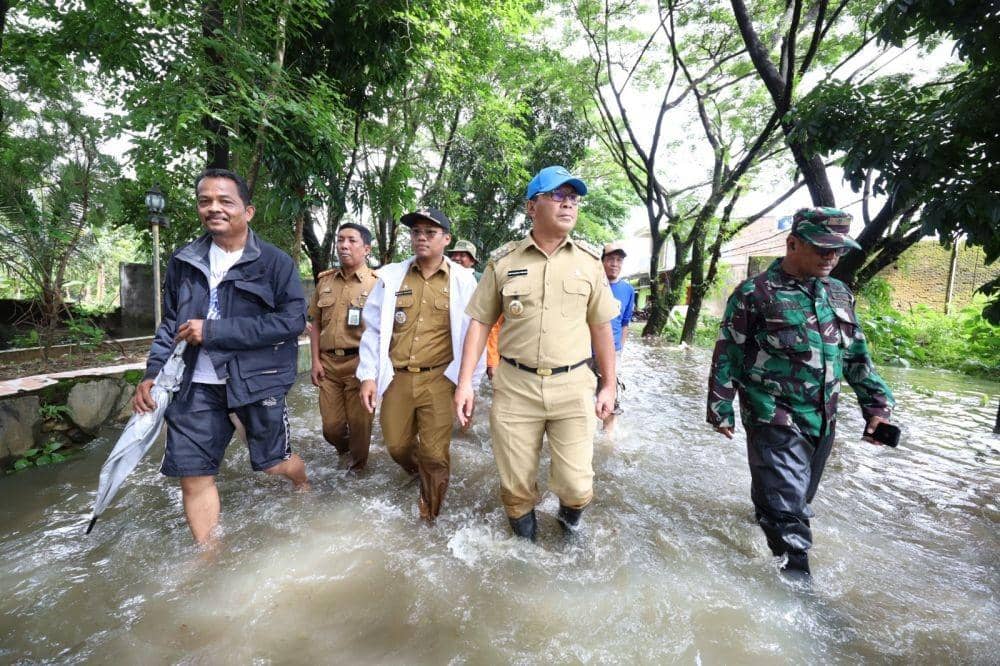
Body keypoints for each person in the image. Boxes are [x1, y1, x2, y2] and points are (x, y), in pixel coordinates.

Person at [707, 207, 895, 578]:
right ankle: (800, 593)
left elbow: (856, 354)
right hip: (772, 415)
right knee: (790, 514)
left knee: (796, 498)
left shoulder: (840, 293)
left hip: (823, 418)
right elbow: (727, 351)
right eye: (822, 248)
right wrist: (720, 406)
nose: (831, 257)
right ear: (793, 243)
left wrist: (876, 406)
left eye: (838, 250)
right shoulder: (754, 293)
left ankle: (765, 516)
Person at [132, 168, 308, 545]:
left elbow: (292, 322)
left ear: (248, 211)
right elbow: (171, 326)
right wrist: (152, 373)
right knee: (194, 473)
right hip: (194, 383)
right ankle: (207, 555)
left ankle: (301, 481)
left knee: (272, 463)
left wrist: (214, 331)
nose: (214, 208)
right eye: (204, 201)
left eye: (225, 201)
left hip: (256, 380)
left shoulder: (275, 263)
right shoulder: (184, 261)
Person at [454, 165, 619, 541]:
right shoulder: (504, 262)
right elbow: (480, 323)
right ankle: (525, 556)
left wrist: (608, 386)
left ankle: (568, 536)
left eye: (573, 198)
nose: (568, 204)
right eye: (557, 196)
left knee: (577, 486)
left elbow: (601, 328)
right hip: (515, 387)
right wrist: (465, 383)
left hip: (574, 386)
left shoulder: (590, 264)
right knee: (515, 488)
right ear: (532, 207)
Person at [357, 208, 485, 521]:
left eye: (430, 232)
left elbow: (474, 336)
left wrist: (470, 384)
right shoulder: (390, 277)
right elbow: (373, 329)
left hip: (441, 379)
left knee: (434, 454)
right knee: (397, 445)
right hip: (398, 377)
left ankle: (430, 515)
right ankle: (418, 472)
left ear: (446, 239)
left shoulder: (464, 281)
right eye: (416, 233)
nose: (421, 238)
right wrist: (368, 376)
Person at [307, 223, 378, 472]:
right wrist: (314, 361)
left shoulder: (377, 285)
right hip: (328, 365)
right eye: (340, 240)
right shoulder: (325, 281)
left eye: (351, 240)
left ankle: (358, 475)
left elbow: (384, 332)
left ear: (366, 249)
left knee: (360, 428)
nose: (343, 245)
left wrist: (375, 371)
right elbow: (315, 323)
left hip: (360, 365)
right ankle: (344, 450)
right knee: (331, 428)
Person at [594, 241, 635, 430]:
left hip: (612, 353)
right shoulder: (593, 284)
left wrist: (619, 351)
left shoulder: (627, 290)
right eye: (610, 259)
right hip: (585, 352)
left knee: (611, 398)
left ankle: (608, 441)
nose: (615, 264)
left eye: (619, 260)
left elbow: (625, 323)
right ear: (602, 261)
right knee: (580, 397)